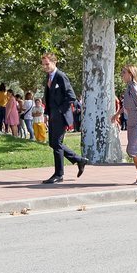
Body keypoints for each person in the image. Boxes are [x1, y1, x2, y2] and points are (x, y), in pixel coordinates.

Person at [40, 52, 89, 184]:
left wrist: (60, 111)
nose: (45, 66)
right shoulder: (49, 77)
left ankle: (59, 174)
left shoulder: (61, 76)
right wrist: (47, 113)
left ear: (54, 62)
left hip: (61, 116)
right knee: (54, 143)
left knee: (56, 144)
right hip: (52, 116)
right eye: (43, 64)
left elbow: (71, 96)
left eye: (47, 64)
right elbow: (49, 98)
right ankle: (79, 160)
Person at [116, 64, 137, 184]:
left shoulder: (135, 88)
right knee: (133, 151)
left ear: (131, 74)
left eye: (124, 72)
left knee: (132, 149)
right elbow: (126, 106)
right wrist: (116, 115)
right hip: (131, 122)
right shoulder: (129, 88)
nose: (122, 75)